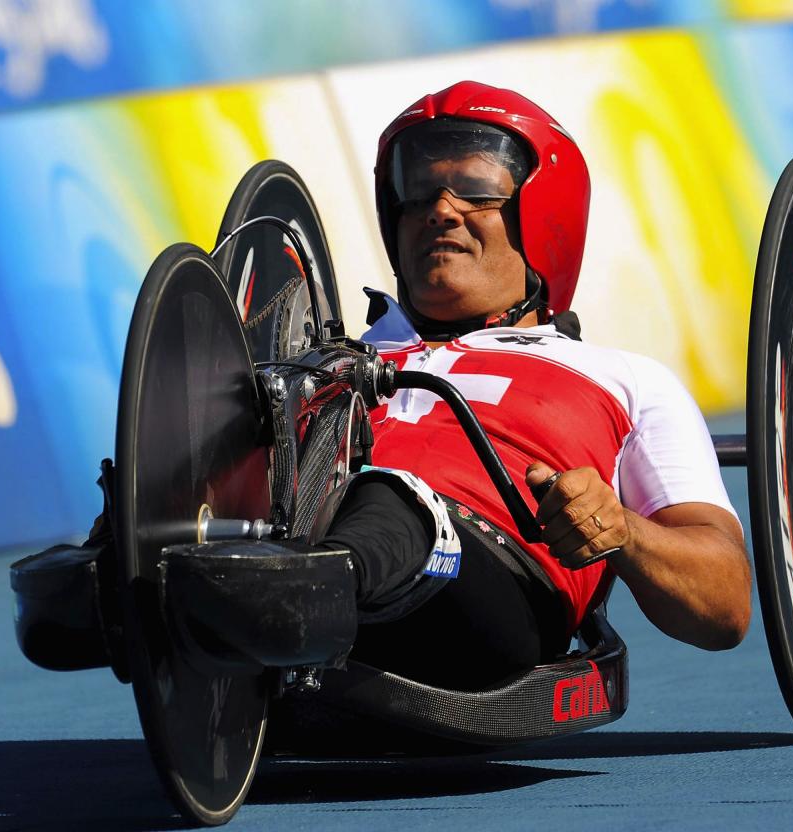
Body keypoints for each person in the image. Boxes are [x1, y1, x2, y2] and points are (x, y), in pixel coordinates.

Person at [314, 81, 752, 690]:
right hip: (300, 529)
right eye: (419, 192)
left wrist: (622, 530)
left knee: (393, 500)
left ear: (542, 216)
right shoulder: (323, 358)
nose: (442, 209)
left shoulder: (624, 380)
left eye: (475, 189)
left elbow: (725, 603)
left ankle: (303, 593)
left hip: (488, 589)